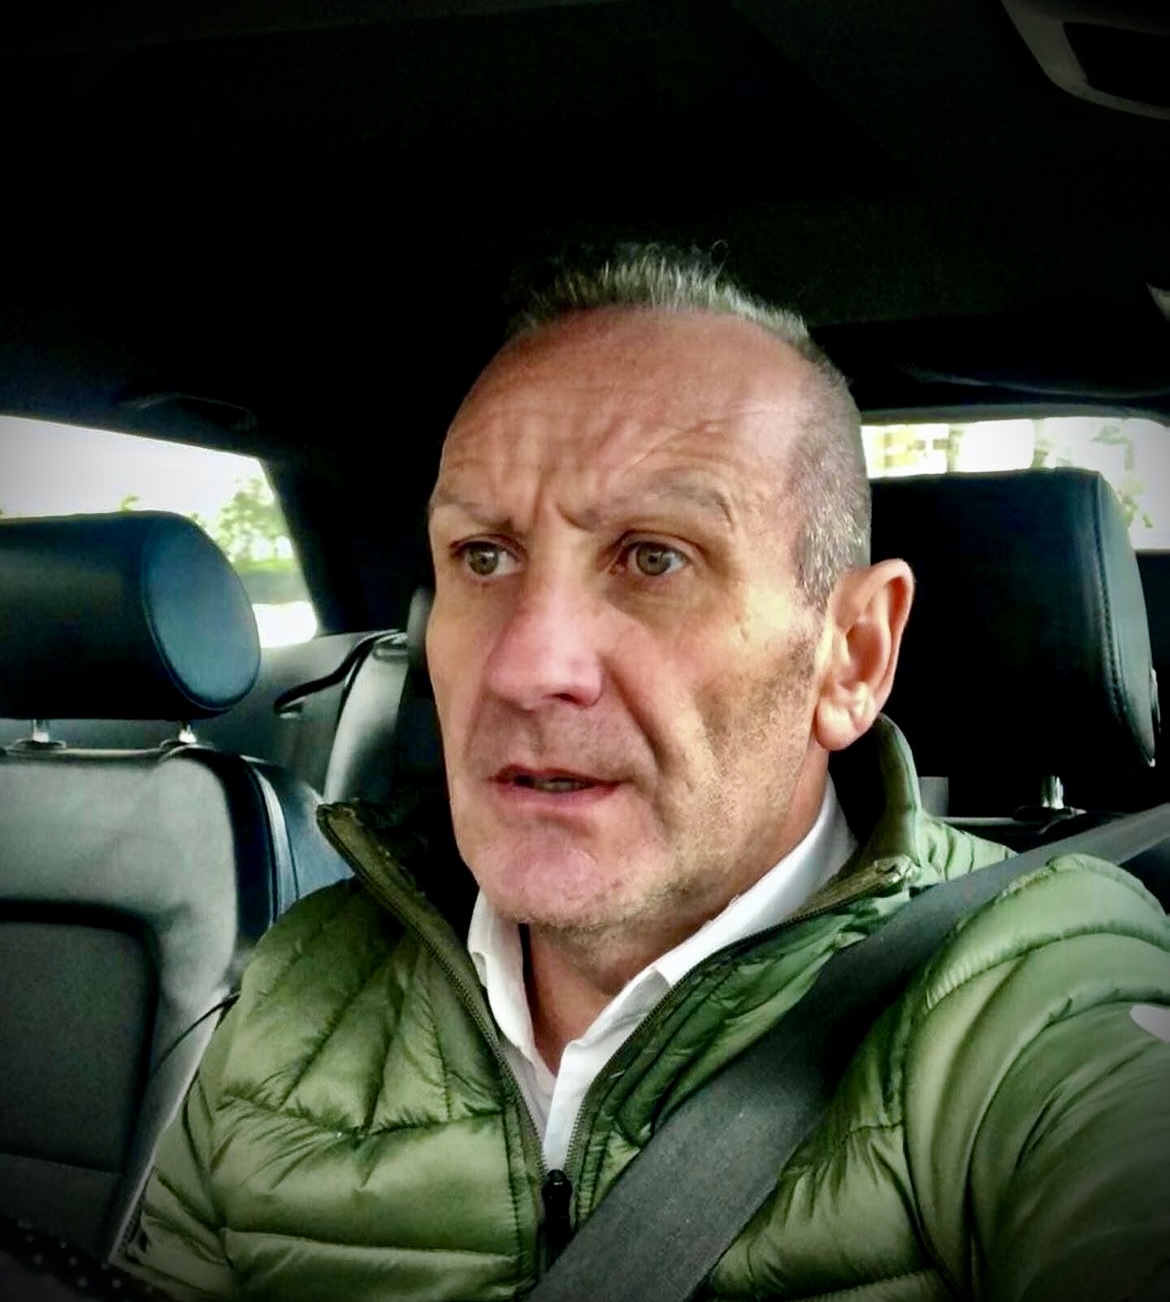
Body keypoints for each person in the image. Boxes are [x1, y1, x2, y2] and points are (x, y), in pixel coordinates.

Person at [123, 247, 1170, 1301]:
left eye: (654, 557)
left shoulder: (1036, 979)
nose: (525, 666)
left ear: (851, 656)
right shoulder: (304, 985)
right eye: (483, 557)